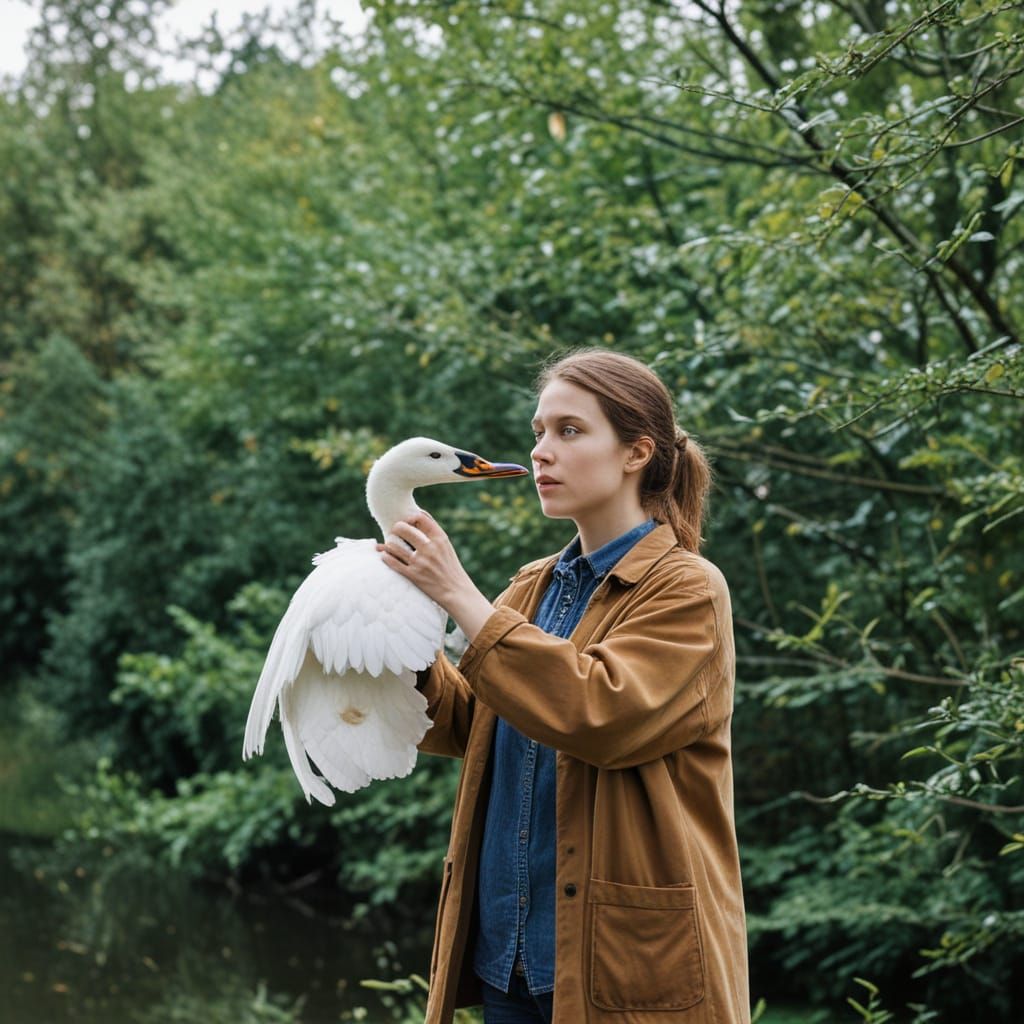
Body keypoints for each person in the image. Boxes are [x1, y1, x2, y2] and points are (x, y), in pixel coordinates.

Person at [377, 348, 749, 1024]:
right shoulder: (531, 584)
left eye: (569, 431)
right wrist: (397, 635)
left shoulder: (688, 589)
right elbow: (468, 725)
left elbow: (597, 712)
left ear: (636, 452)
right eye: (538, 431)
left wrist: (459, 594)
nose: (541, 453)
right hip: (508, 962)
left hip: (622, 966)